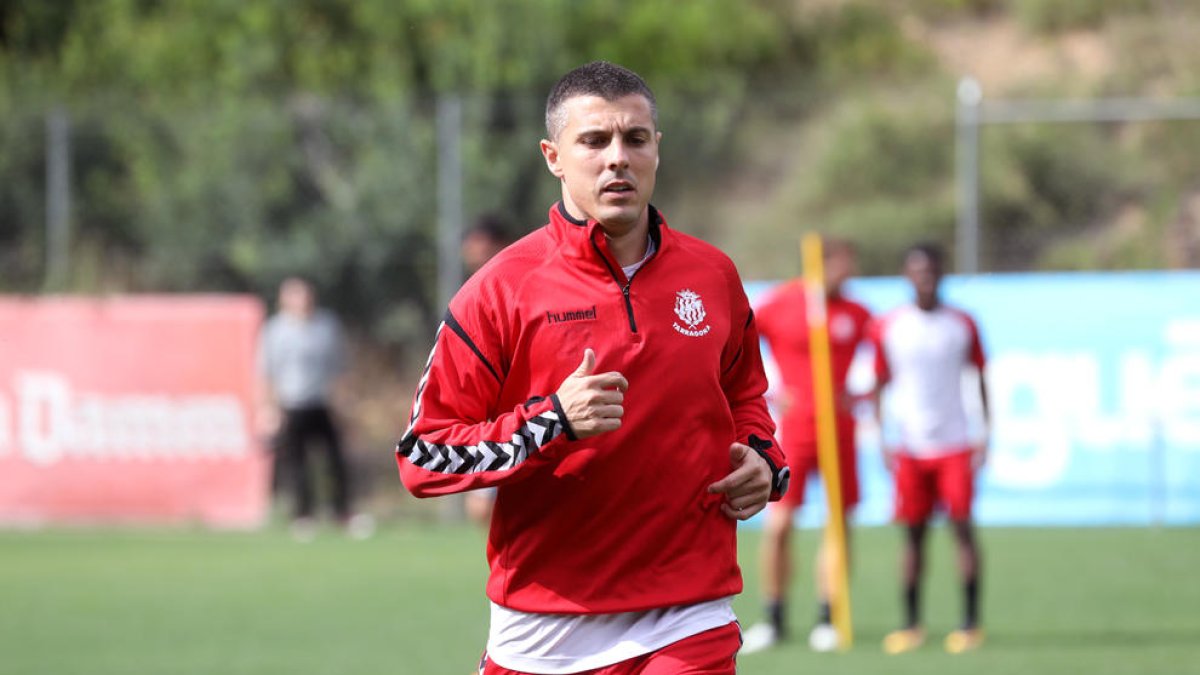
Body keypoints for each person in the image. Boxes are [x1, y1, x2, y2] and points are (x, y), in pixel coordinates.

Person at [394, 61, 790, 675]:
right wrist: (550, 421)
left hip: (690, 615)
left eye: (635, 139)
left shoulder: (713, 276)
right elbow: (421, 456)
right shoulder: (500, 289)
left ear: (657, 149)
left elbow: (745, 396)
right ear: (553, 156)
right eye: (594, 141)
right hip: (544, 630)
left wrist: (762, 459)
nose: (617, 158)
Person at [740, 238, 871, 654]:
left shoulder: (857, 312)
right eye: (843, 264)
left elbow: (884, 360)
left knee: (837, 523)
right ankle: (774, 616)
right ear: (824, 262)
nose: (848, 274)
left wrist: (862, 395)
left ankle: (828, 615)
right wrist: (772, 392)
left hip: (840, 429)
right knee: (780, 525)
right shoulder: (781, 303)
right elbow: (739, 345)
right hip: (794, 429)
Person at [871, 243, 989, 654]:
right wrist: (881, 438)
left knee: (962, 530)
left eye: (932, 271)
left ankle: (971, 622)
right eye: (918, 271)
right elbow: (879, 386)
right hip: (910, 447)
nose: (926, 278)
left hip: (955, 443)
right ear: (907, 275)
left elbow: (979, 378)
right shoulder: (891, 326)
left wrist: (984, 432)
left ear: (942, 274)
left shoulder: (962, 324)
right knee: (913, 537)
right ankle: (911, 624)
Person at [258, 276, 372, 541]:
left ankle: (341, 512)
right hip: (291, 404)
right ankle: (302, 515)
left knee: (335, 459)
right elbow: (266, 373)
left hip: (323, 402)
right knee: (296, 463)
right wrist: (268, 408)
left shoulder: (326, 325)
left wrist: (345, 400)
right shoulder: (275, 330)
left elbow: (339, 366)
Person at [460, 215, 514, 528]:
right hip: (491, 419)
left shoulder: (523, 282)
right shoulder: (474, 293)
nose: (476, 258)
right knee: (480, 508)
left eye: (482, 250)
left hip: (526, 414)